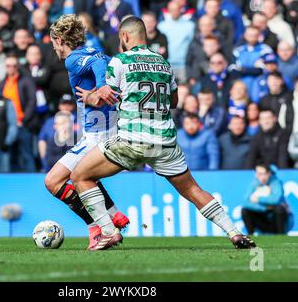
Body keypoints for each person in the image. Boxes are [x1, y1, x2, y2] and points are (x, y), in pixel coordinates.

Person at [72, 16, 255, 251]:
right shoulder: (163, 63)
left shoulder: (120, 61)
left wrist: (88, 96)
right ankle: (234, 232)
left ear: (125, 37)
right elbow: (175, 101)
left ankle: (108, 232)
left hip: (133, 139)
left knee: (80, 176)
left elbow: (103, 98)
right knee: (192, 190)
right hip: (165, 141)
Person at [45, 14, 129, 249]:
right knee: (84, 175)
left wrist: (102, 85)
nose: (53, 46)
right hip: (110, 130)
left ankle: (99, 228)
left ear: (60, 39)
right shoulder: (95, 50)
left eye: (53, 41)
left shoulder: (72, 59)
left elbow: (98, 66)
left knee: (53, 181)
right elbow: (106, 61)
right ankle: (114, 214)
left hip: (97, 136)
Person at [0, 55, 39, 172]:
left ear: (17, 66)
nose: (11, 68)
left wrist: (24, 119)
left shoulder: (26, 80)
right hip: (9, 126)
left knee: (26, 155)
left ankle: (30, 184)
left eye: (14, 65)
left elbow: (32, 101)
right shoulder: (3, 82)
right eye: (8, 66)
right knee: (12, 157)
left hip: (23, 124)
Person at [242, 164, 292, 235]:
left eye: (262, 174)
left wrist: (259, 199)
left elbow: (276, 199)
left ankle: (281, 235)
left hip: (276, 219)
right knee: (245, 211)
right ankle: (251, 236)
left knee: (279, 209)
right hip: (263, 216)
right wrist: (265, 208)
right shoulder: (255, 183)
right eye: (257, 174)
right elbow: (245, 202)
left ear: (269, 173)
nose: (259, 176)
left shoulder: (276, 182)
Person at [157, 1, 195, 84]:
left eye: (176, 9)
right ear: (168, 11)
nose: (174, 12)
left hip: (183, 65)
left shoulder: (190, 26)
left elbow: (192, 45)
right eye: (172, 10)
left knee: (184, 91)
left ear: (181, 10)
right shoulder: (162, 26)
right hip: (167, 65)